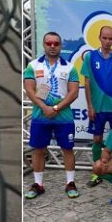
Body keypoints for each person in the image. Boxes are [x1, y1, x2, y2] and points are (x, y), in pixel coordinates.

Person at [24, 31, 80, 199]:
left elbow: (74, 93)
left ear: (61, 45)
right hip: (40, 116)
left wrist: (55, 108)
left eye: (56, 43)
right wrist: (43, 107)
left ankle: (70, 182)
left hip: (63, 116)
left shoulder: (69, 67)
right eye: (49, 43)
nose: (53, 46)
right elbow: (29, 90)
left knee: (67, 149)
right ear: (44, 45)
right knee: (38, 149)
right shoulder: (33, 66)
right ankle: (38, 184)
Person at [81, 25, 112, 186]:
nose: (107, 41)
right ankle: (97, 172)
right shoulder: (90, 57)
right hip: (98, 107)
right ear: (99, 38)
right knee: (98, 138)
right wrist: (90, 106)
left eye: (110, 38)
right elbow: (86, 82)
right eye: (104, 38)